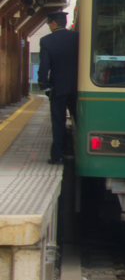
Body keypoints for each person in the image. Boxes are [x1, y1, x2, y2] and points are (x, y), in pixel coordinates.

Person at [38, 11, 79, 165]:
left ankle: (57, 156)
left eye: (49, 23)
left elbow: (44, 66)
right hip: (78, 88)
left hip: (58, 88)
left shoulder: (47, 41)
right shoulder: (78, 38)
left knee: (58, 121)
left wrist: (44, 85)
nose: (49, 26)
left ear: (53, 23)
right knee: (80, 120)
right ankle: (81, 152)